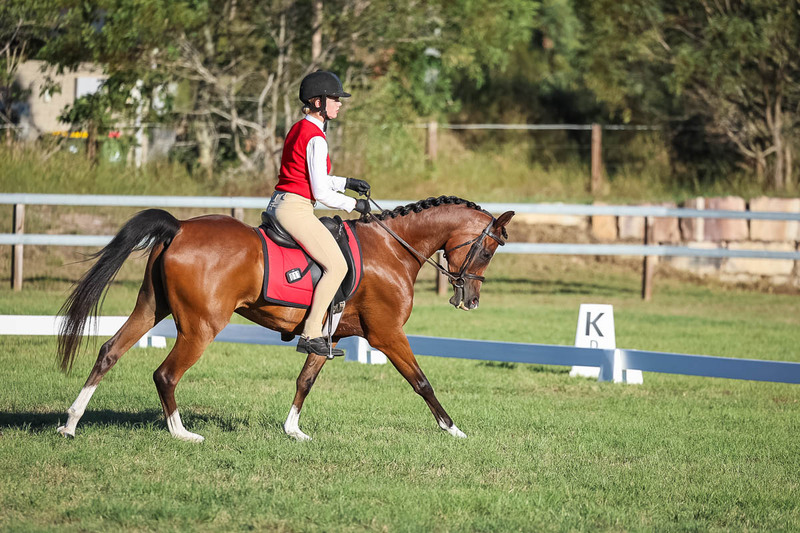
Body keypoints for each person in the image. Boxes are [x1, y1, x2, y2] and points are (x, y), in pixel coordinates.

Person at [267, 70, 371, 357]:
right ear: (317, 102)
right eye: (334, 98)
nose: (339, 103)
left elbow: (314, 177)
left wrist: (347, 183)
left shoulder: (300, 128)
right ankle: (311, 333)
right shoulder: (316, 137)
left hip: (281, 202)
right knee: (338, 266)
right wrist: (354, 205)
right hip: (296, 209)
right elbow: (321, 193)